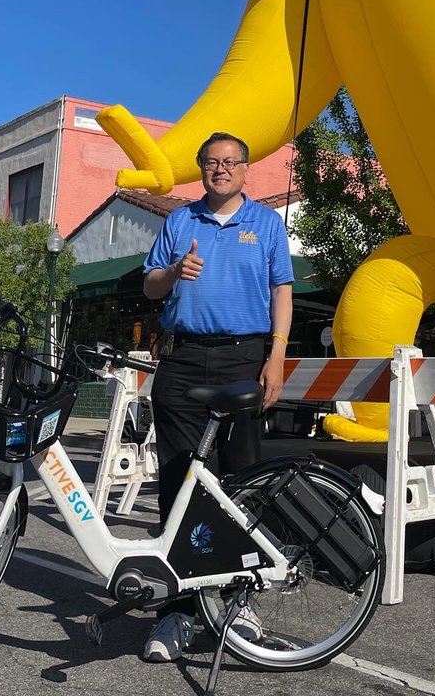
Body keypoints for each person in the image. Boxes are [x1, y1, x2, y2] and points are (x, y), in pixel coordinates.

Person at [141, 131, 293, 662]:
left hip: (243, 358)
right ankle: (177, 610)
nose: (220, 169)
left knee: (240, 483)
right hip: (182, 360)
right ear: (201, 169)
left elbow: (282, 292)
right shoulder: (179, 221)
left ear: (246, 170)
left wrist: (276, 357)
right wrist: (173, 272)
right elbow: (149, 287)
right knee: (178, 483)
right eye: (211, 162)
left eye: (230, 162)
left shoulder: (268, 224)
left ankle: (237, 601)